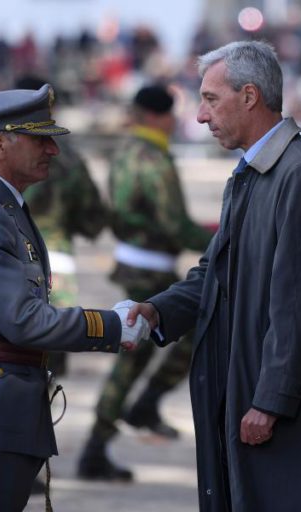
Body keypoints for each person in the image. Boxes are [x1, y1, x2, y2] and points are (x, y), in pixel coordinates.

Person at [127, 41, 301, 511]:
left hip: (286, 419)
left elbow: (300, 307)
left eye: (211, 100)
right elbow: (216, 271)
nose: (200, 116)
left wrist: (271, 400)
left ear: (249, 96)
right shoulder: (254, 172)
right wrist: (157, 311)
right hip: (252, 400)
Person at [0, 84, 149, 511]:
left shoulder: (4, 207)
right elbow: (24, 320)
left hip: (5, 404)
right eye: (39, 139)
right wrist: (112, 326)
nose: (53, 150)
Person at [77, 84, 213, 481]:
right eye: (171, 115)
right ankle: (110, 435)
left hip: (134, 263)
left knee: (136, 354)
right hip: (152, 271)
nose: (174, 123)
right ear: (157, 117)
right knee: (155, 345)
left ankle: (131, 418)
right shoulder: (154, 158)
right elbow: (176, 225)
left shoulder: (124, 151)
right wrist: (225, 242)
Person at [16, 74, 109, 376]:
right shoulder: (65, 156)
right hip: (56, 269)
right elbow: (93, 216)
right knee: (50, 365)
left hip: (5, 266)